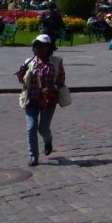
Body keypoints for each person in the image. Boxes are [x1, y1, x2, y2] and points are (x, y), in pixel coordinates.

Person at [16, 34, 66, 167]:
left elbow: (61, 80)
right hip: (31, 99)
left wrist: (52, 88)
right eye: (36, 46)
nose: (38, 49)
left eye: (41, 46)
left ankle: (48, 141)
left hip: (48, 100)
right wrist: (21, 75)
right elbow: (22, 81)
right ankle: (33, 156)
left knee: (43, 129)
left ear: (48, 48)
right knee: (31, 128)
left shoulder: (56, 62)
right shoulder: (29, 62)